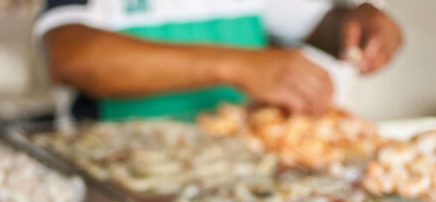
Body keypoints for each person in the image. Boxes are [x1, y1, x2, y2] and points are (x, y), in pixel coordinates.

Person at [35, 0, 402, 121]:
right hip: (119, 178)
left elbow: (329, 28)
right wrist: (239, 65)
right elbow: (71, 56)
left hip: (235, 168)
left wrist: (365, 20)